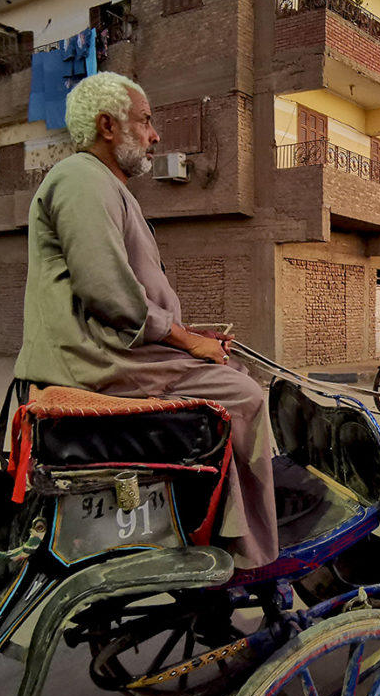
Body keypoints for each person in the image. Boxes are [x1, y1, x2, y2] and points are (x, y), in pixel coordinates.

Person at [14, 72, 278, 569]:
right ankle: (245, 550)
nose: (155, 135)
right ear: (108, 126)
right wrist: (186, 341)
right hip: (93, 359)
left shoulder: (103, 185)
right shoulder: (81, 180)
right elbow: (108, 294)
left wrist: (190, 336)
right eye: (147, 121)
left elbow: (125, 299)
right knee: (244, 396)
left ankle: (229, 517)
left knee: (235, 372)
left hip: (113, 349)